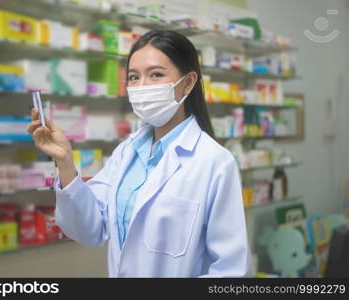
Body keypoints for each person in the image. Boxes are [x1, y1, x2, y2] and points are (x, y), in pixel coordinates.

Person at [27, 30, 253, 277]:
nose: (141, 86)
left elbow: (231, 271)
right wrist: (65, 162)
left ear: (188, 82)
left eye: (155, 75)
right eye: (134, 77)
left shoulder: (215, 162)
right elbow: (89, 230)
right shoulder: (127, 152)